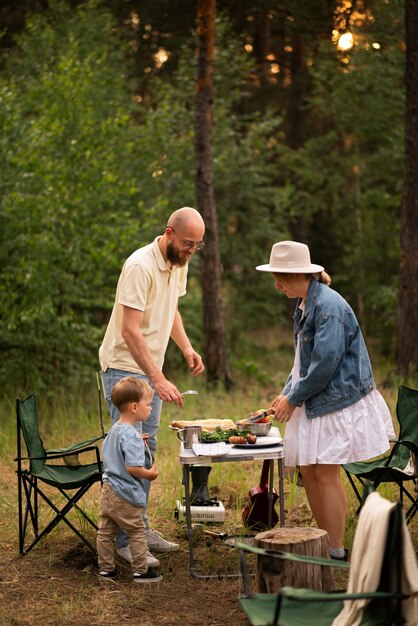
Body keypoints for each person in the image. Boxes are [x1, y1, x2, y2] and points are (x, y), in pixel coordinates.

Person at [256, 240, 394, 560]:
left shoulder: (328, 307)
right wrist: (286, 392)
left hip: (336, 399)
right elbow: (301, 361)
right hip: (316, 396)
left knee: (325, 471)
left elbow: (324, 366)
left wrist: (294, 398)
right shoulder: (305, 303)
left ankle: (335, 550)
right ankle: (322, 542)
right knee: (308, 468)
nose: (277, 286)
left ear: (297, 275)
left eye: (279, 279)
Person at [99, 207, 205, 566]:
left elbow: (170, 308)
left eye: (198, 245)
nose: (192, 250)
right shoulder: (140, 266)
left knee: (145, 450)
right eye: (188, 243)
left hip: (149, 370)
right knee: (128, 454)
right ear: (169, 233)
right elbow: (130, 329)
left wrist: (186, 347)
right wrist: (156, 379)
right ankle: (126, 540)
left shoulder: (179, 261)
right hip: (124, 370)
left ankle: (138, 528)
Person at [97, 376, 162, 583]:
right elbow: (133, 467)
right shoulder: (131, 435)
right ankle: (141, 571)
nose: (150, 409)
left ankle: (106, 570)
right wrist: (149, 474)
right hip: (125, 494)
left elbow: (116, 450)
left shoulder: (114, 431)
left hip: (108, 490)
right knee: (136, 531)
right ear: (134, 407)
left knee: (105, 532)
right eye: (148, 404)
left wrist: (135, 439)